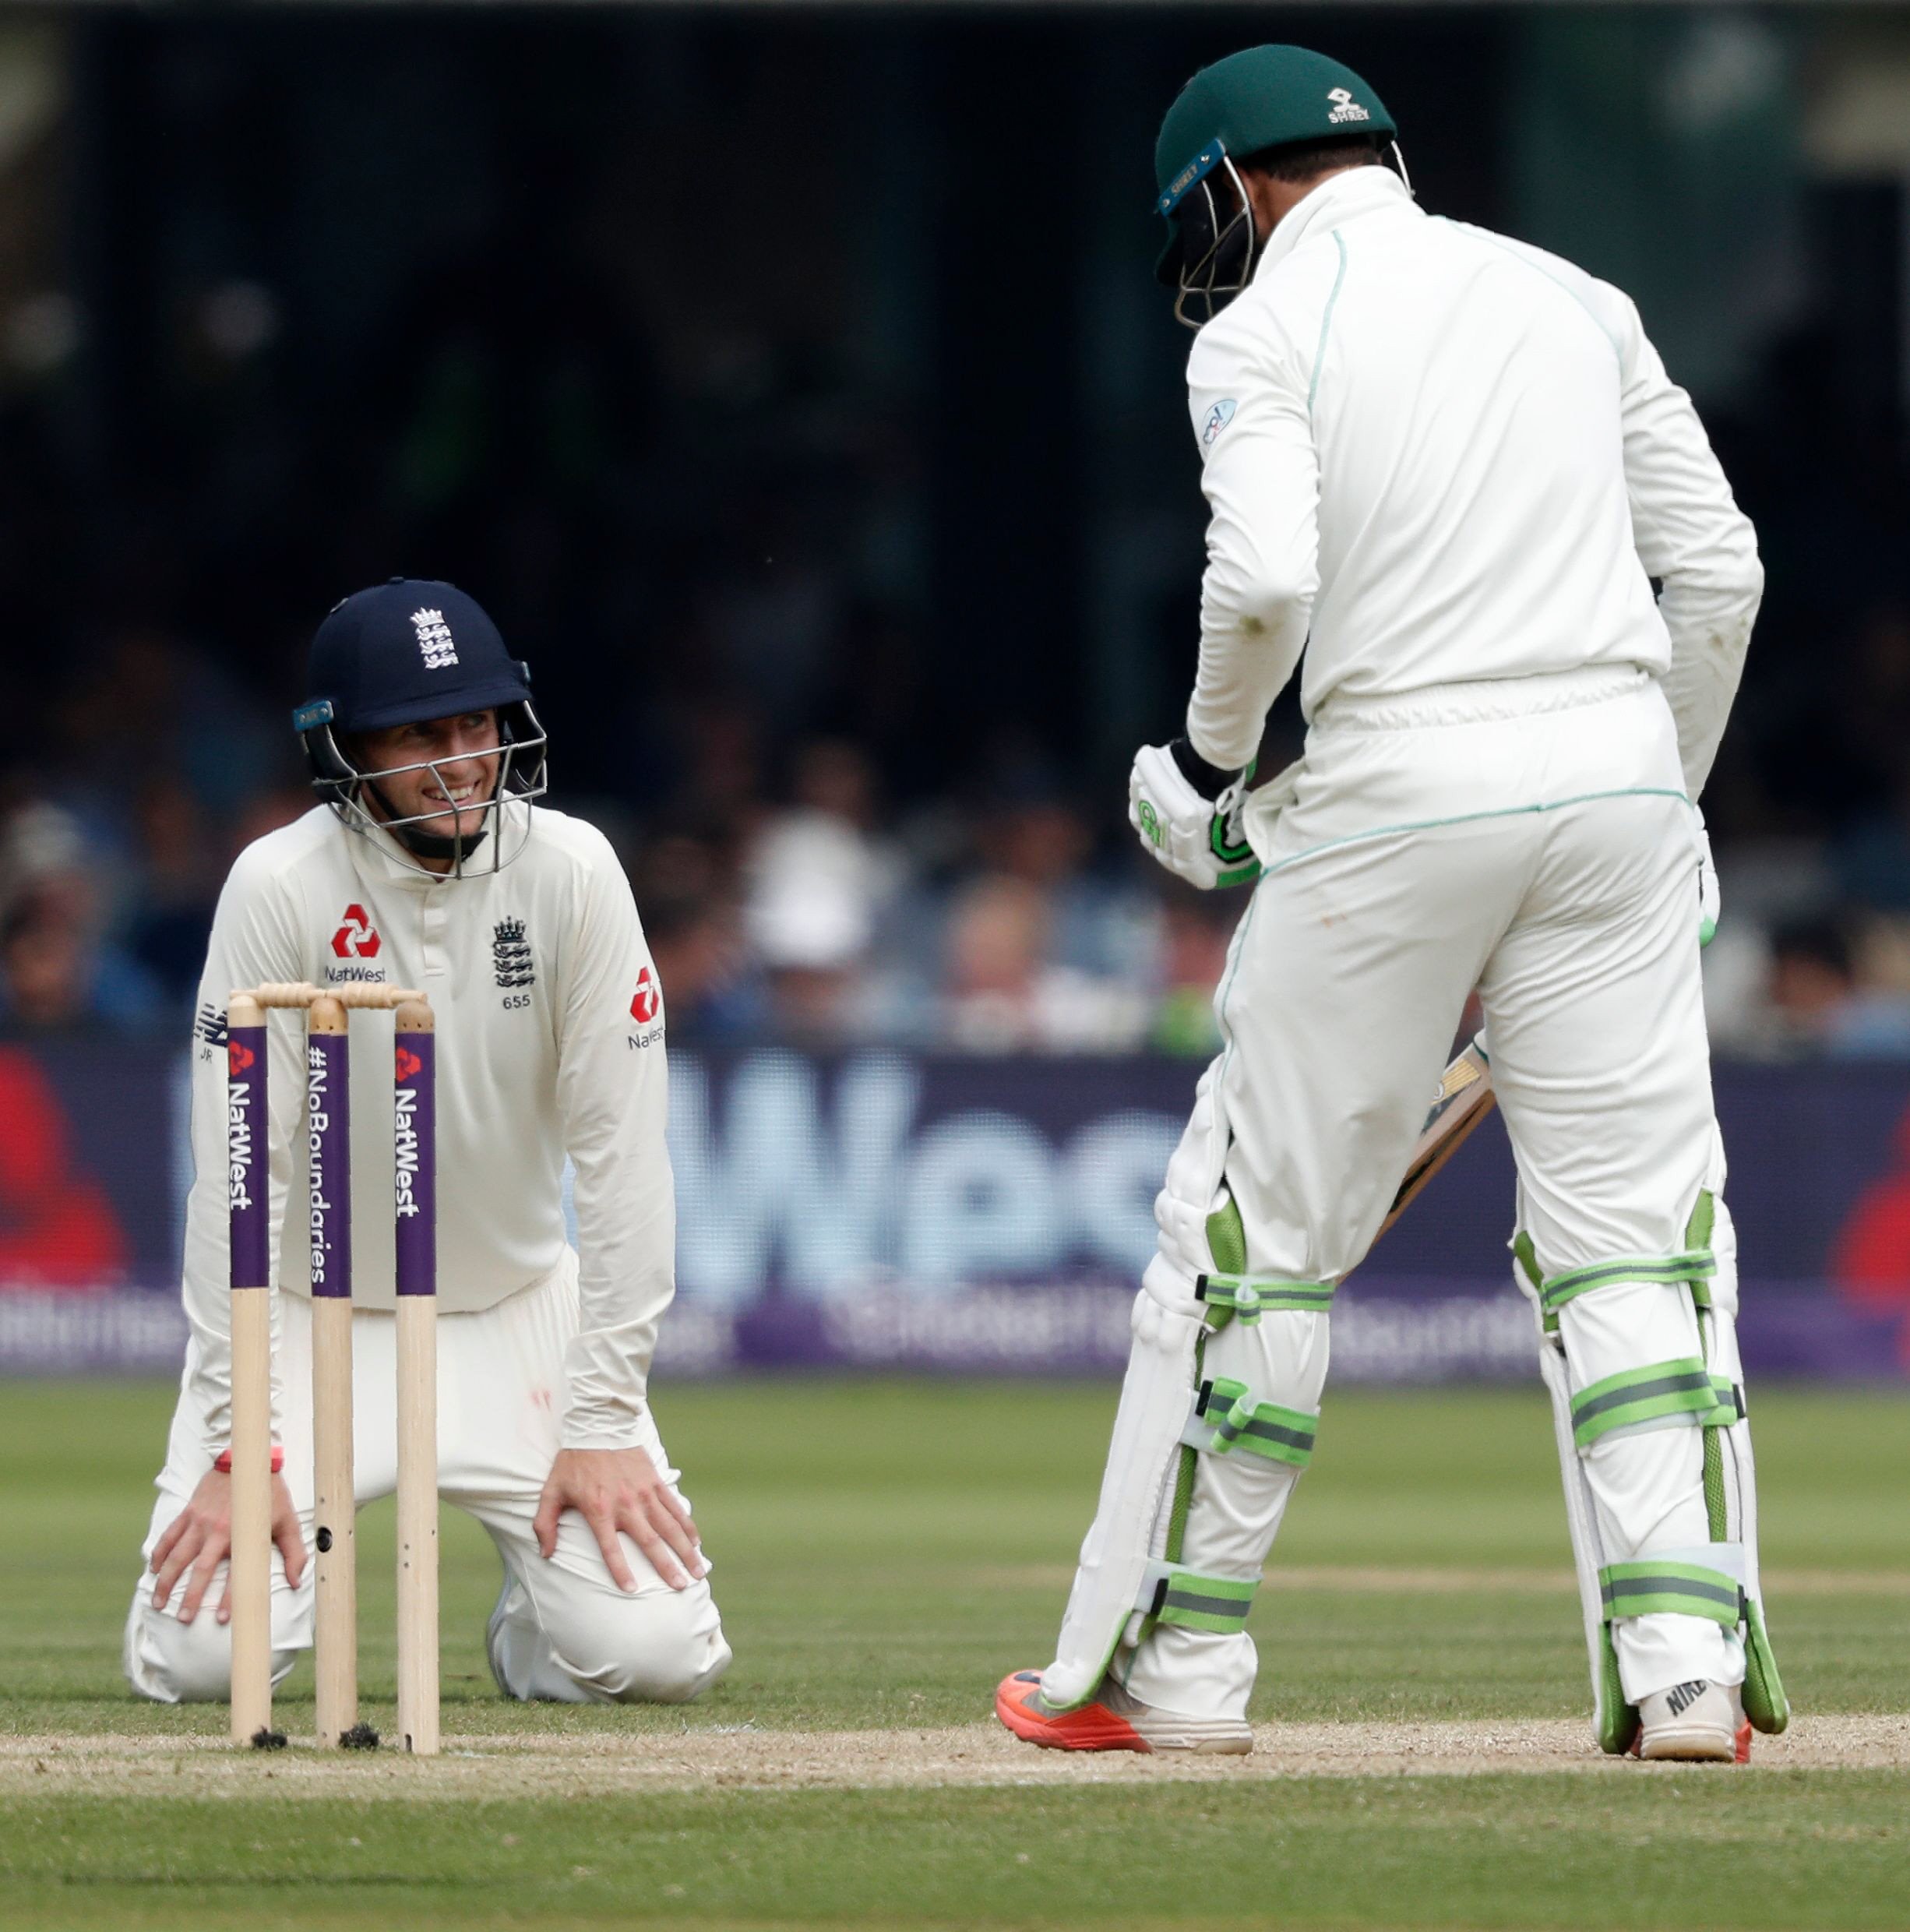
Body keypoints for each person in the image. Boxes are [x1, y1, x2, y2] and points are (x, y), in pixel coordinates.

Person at [996, 45, 1784, 1764]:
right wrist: (1657, 793)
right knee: (1635, 1237)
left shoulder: (1257, 329)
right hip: (1618, 775)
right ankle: (1686, 1673)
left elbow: (1266, 577)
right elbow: (1715, 571)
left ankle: (1169, 1673)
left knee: (1252, 1233)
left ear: (1230, 185)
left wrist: (1208, 784)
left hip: (1396, 783)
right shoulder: (1576, 296)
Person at [125, 579, 731, 1712]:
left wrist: (601, 1422)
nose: (463, 761)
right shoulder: (280, 885)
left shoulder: (575, 872)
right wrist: (234, 1438)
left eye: (479, 725)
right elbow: (236, 1187)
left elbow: (626, 1166)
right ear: (344, 751)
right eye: (421, 735)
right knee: (204, 1662)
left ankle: (531, 1627)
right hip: (310, 1323)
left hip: (517, 1310)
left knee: (655, 1659)